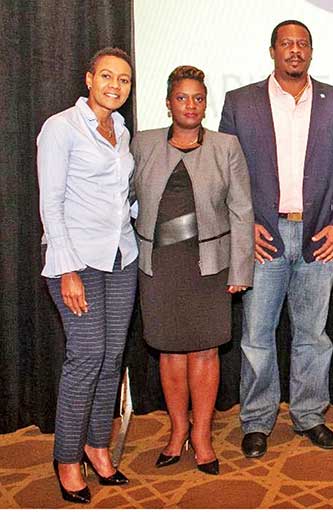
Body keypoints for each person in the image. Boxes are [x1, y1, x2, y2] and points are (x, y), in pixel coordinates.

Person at [219, 20, 333, 457]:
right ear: (272, 50)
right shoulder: (240, 102)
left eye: (302, 44)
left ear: (311, 52)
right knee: (257, 335)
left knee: (313, 334)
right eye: (286, 44)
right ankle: (258, 420)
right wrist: (243, 225)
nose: (294, 51)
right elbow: (226, 173)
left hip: (321, 235)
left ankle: (310, 416)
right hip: (265, 235)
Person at [132, 65, 254, 475]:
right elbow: (121, 199)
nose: (191, 105)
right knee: (168, 350)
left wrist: (241, 269)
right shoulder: (142, 144)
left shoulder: (226, 146)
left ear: (206, 103)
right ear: (168, 104)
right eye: (182, 98)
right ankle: (176, 431)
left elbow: (241, 211)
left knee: (204, 349)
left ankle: (202, 437)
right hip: (160, 266)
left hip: (210, 267)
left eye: (198, 98)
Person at [37, 47, 136, 503]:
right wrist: (67, 269)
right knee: (86, 356)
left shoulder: (121, 130)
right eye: (108, 77)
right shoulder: (61, 128)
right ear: (89, 79)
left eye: (124, 80)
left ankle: (98, 446)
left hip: (121, 256)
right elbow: (50, 204)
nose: (115, 86)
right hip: (76, 260)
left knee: (111, 357)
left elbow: (120, 197)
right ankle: (67, 458)